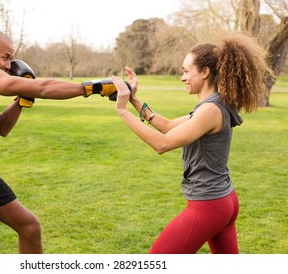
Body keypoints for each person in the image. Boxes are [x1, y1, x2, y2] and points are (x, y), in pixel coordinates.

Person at [0, 30, 117, 254]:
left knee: (30, 227)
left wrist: (22, 100)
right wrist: (94, 87)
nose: (8, 66)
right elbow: (44, 88)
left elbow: (2, 127)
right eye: (5, 58)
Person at [111, 33, 273, 254]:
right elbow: (168, 126)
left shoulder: (210, 110)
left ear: (205, 72)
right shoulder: (214, 104)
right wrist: (134, 100)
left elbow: (163, 144)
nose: (183, 77)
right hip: (224, 199)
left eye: (187, 71)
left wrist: (122, 111)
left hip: (209, 204)